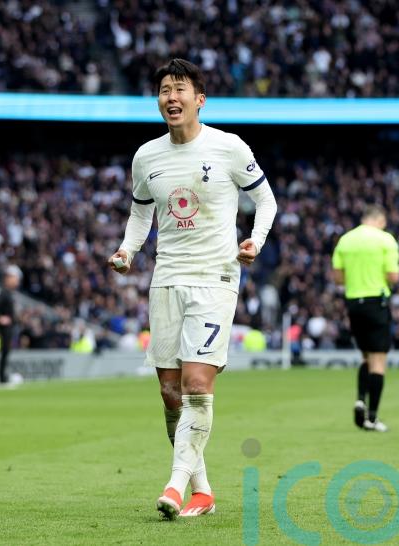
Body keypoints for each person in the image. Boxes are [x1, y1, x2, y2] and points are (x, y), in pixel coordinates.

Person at [107, 58, 277, 519]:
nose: (171, 97)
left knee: (197, 384)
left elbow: (265, 199)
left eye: (180, 89)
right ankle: (202, 491)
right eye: (164, 89)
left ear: (200, 99)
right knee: (169, 391)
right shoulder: (147, 157)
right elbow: (141, 212)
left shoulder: (228, 147)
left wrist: (254, 241)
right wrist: (127, 251)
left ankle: (176, 484)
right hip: (166, 280)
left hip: (214, 277)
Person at [331, 205, 399, 432]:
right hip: (376, 303)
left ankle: (360, 398)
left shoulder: (346, 240)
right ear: (380, 220)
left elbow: (338, 279)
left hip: (353, 304)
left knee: (365, 357)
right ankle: (372, 417)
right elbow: (393, 276)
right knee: (378, 361)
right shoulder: (385, 240)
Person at [0, 265, 21, 385]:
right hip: (4, 327)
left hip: (10, 326)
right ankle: (1, 377)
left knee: (7, 351)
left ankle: (3, 375)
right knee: (4, 351)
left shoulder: (10, 294)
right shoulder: (4, 293)